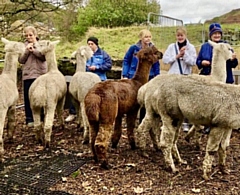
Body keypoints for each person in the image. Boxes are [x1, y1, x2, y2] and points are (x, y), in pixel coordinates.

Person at [196, 22, 238, 134]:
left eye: (218, 33)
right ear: (210, 35)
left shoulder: (226, 46)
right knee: (208, 103)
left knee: (223, 105)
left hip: (225, 78)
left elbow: (234, 64)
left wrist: (233, 59)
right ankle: (206, 124)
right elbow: (198, 61)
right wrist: (202, 62)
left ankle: (224, 126)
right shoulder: (205, 47)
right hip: (208, 77)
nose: (217, 35)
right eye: (214, 33)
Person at [65, 36, 112, 122]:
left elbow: (108, 65)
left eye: (92, 44)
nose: (90, 46)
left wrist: (97, 67)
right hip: (85, 80)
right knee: (74, 93)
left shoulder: (103, 54)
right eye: (88, 44)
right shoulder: (86, 54)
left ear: (96, 44)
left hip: (99, 78)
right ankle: (74, 113)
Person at [162, 26, 197, 132]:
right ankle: (172, 121)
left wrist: (185, 55)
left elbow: (193, 62)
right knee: (173, 100)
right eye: (178, 35)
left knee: (185, 100)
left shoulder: (191, 47)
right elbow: (165, 60)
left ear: (185, 35)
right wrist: (177, 56)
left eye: (182, 35)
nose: (180, 37)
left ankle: (186, 122)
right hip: (173, 75)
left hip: (185, 76)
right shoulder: (172, 47)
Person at [122, 29, 160, 124]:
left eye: (149, 37)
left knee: (145, 99)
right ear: (141, 38)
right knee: (132, 98)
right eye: (146, 37)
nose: (148, 39)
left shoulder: (153, 49)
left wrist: (157, 75)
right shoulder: (134, 48)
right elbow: (126, 60)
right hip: (133, 75)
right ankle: (130, 120)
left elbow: (156, 63)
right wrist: (125, 74)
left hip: (148, 76)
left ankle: (142, 121)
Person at [18, 26, 47, 127]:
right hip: (28, 75)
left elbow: (44, 57)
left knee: (41, 97)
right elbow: (21, 60)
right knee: (28, 97)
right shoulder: (23, 46)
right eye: (26, 35)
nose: (28, 37)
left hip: (40, 75)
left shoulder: (42, 44)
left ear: (35, 35)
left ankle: (42, 117)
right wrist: (27, 51)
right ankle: (29, 119)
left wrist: (33, 50)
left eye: (30, 35)